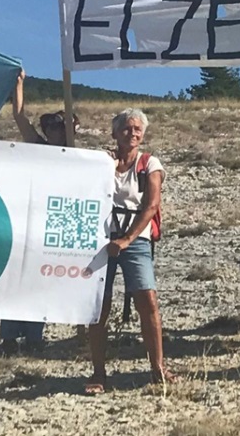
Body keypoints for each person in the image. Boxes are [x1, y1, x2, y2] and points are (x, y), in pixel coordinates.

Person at [86, 108, 175, 394]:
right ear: (115, 133)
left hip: (135, 239)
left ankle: (158, 368)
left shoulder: (150, 164)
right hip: (102, 238)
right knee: (100, 306)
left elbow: (151, 205)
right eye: (127, 128)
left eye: (137, 129)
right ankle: (98, 372)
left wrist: (128, 238)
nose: (133, 133)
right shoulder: (101, 163)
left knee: (147, 300)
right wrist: (106, 167)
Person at [0, 70, 79, 353]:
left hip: (53, 227)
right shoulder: (37, 147)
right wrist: (18, 85)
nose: (56, 130)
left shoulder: (79, 157)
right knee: (18, 278)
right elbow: (19, 116)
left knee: (41, 281)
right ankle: (8, 336)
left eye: (62, 126)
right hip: (29, 221)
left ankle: (34, 335)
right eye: (52, 126)